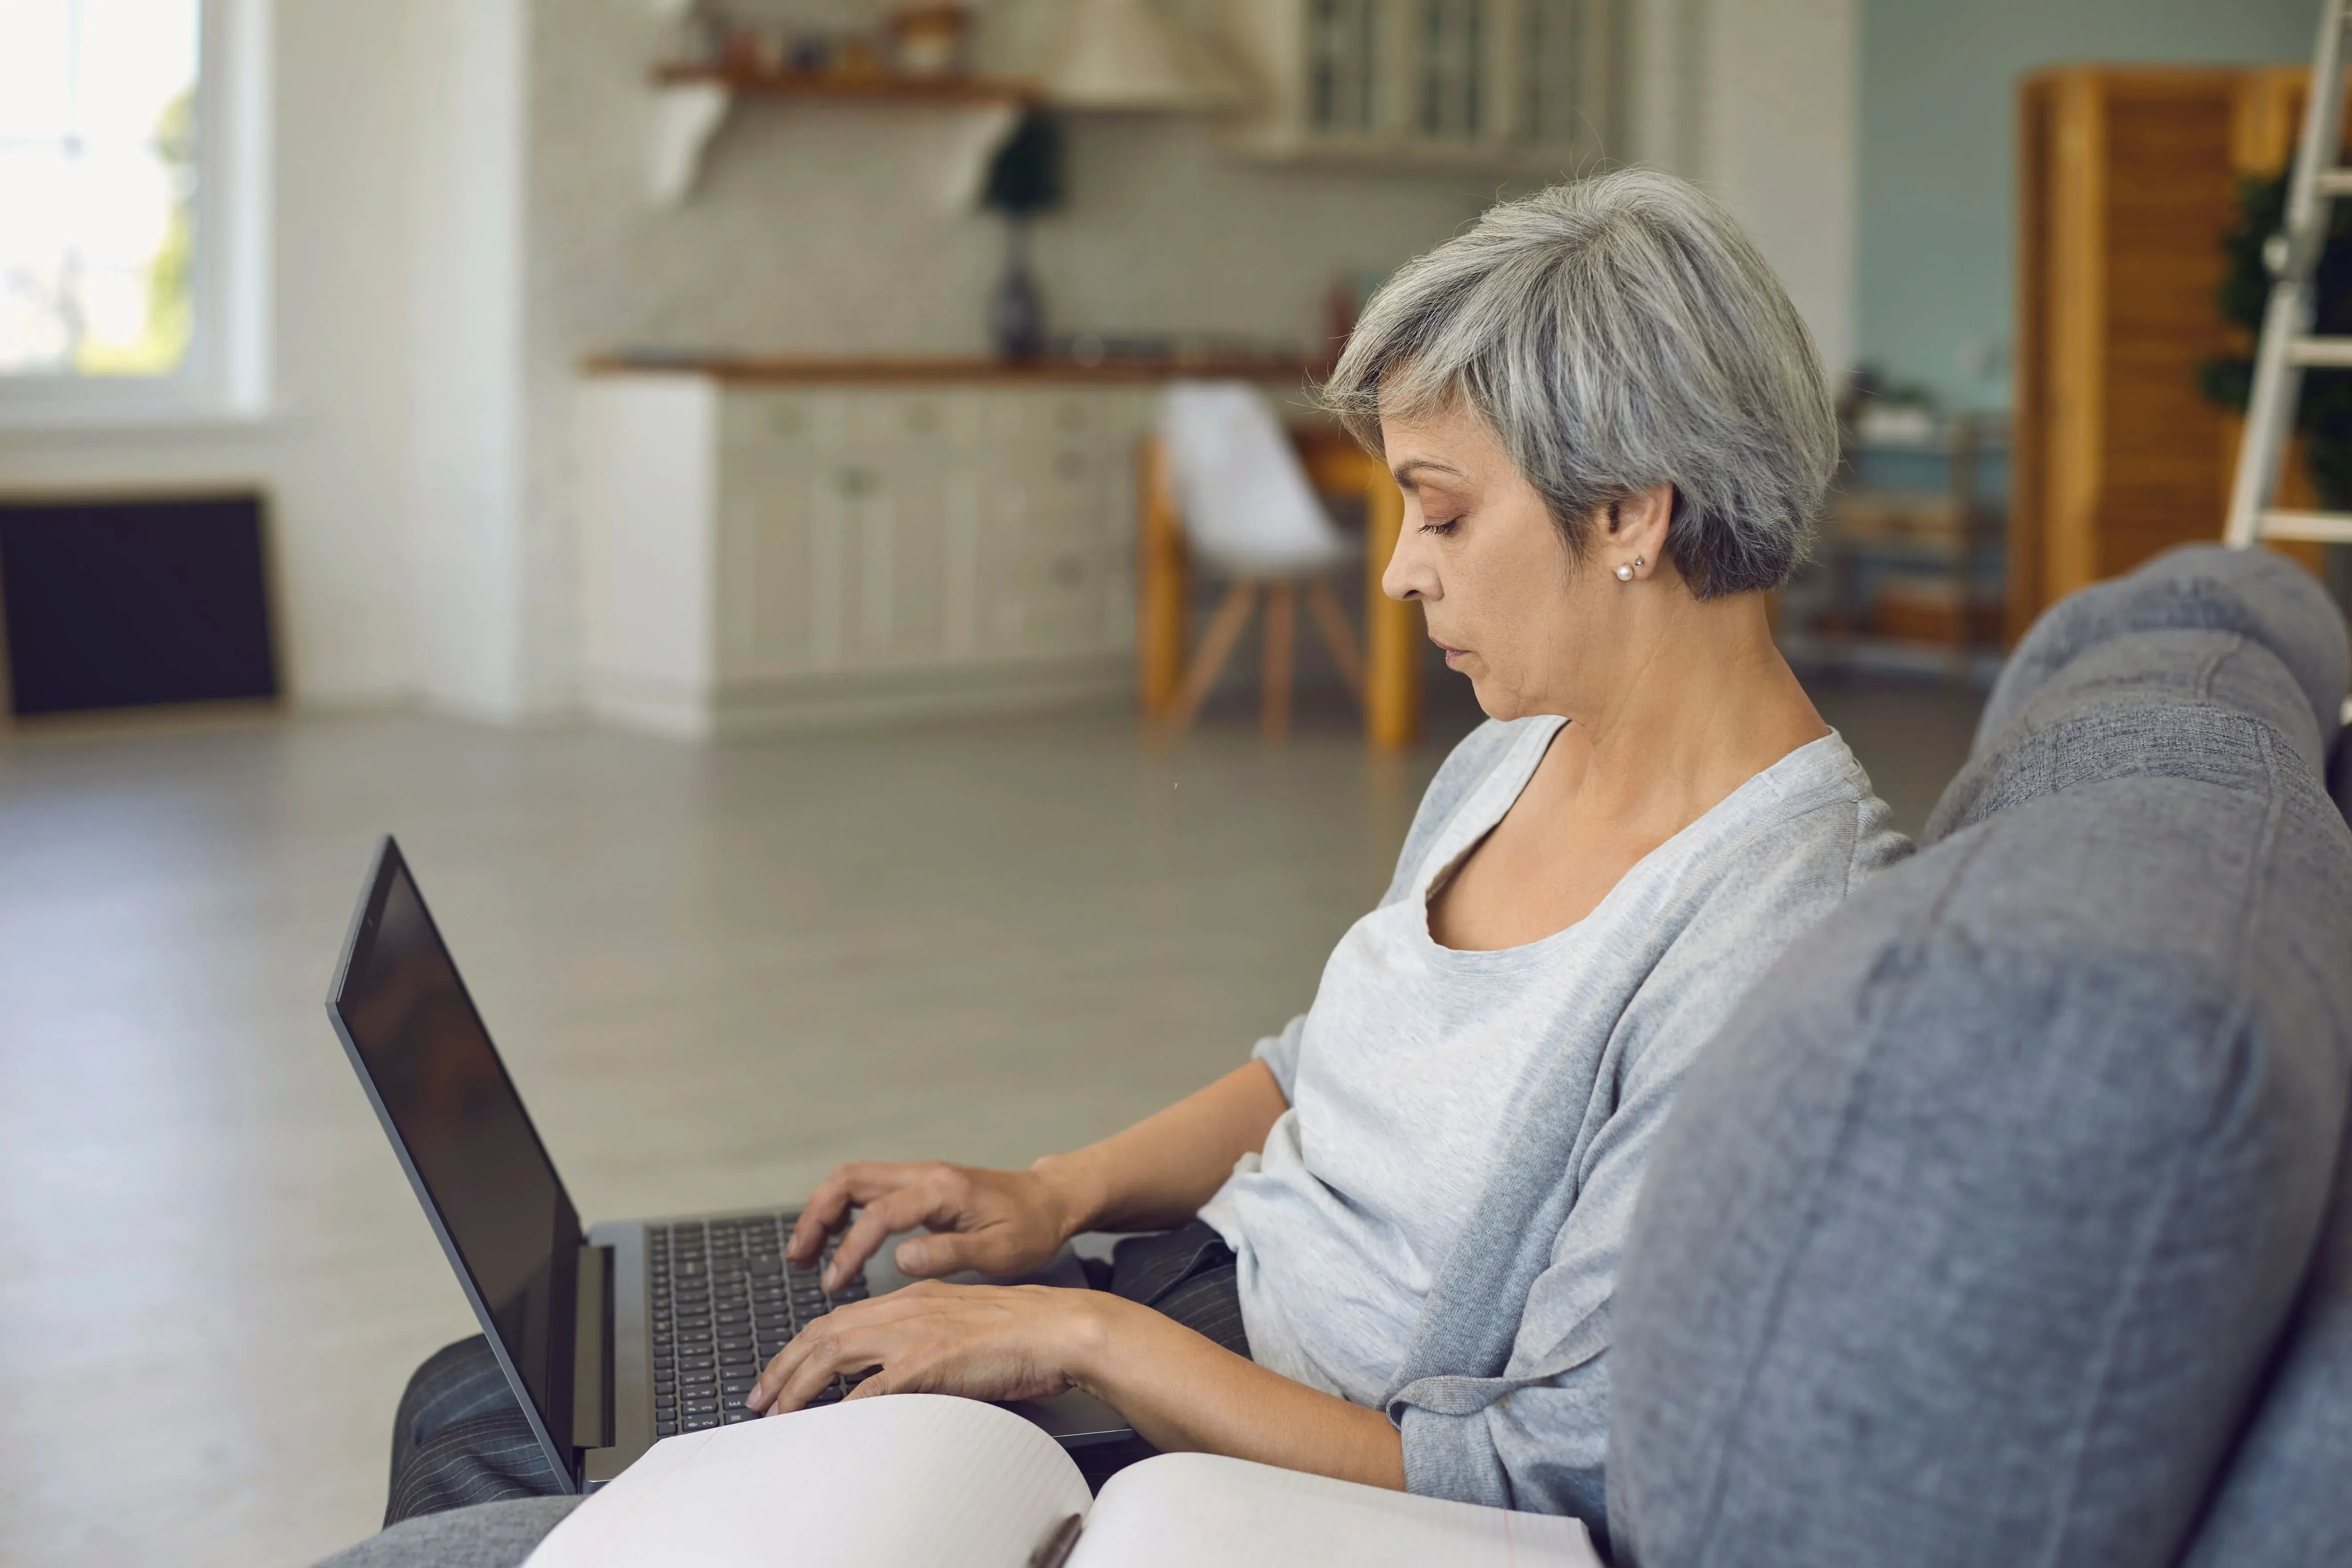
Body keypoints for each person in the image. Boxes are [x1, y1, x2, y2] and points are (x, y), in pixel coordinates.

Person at [328, 167, 1909, 1566]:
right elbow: (1326, 1070)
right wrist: (1052, 1195)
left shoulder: (1767, 943)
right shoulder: (1522, 747)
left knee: (499, 1445)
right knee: (481, 1384)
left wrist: (1070, 1333)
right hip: (1172, 1297)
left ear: (1632, 512)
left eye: (1439, 512)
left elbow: (1536, 1477)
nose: (1396, 570)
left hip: (1248, 1447)